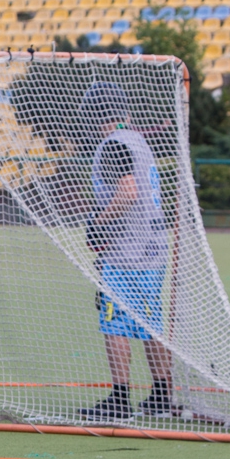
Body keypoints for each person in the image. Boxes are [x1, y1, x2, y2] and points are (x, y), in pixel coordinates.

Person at [75, 82, 176, 422]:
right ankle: (161, 395)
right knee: (150, 321)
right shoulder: (137, 139)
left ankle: (119, 399)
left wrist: (99, 224)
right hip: (152, 246)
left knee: (114, 322)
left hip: (127, 251)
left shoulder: (115, 143)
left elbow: (128, 191)